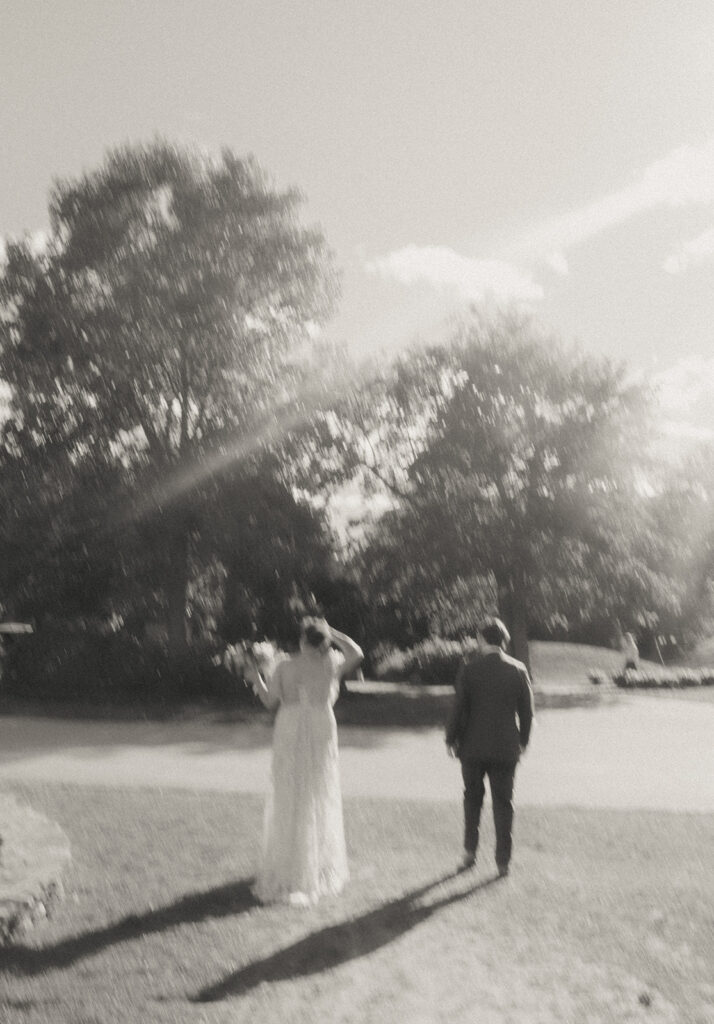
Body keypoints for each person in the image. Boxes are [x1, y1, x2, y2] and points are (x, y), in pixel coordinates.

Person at [244, 617, 363, 906]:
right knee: (318, 791)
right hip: (321, 725)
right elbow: (357, 654)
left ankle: (291, 863)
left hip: (291, 726)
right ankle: (317, 864)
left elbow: (270, 702)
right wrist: (332, 632)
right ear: (322, 641)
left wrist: (255, 677)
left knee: (290, 792)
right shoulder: (330, 663)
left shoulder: (284, 665)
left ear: (301, 640)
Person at [445, 617, 534, 877]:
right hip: (506, 746)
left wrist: (451, 738)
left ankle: (469, 852)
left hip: (472, 746)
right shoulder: (518, 670)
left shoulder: (470, 669)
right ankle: (503, 860)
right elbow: (527, 713)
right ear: (504, 641)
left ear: (482, 639)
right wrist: (524, 741)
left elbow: (459, 708)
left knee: (472, 800)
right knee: (503, 803)